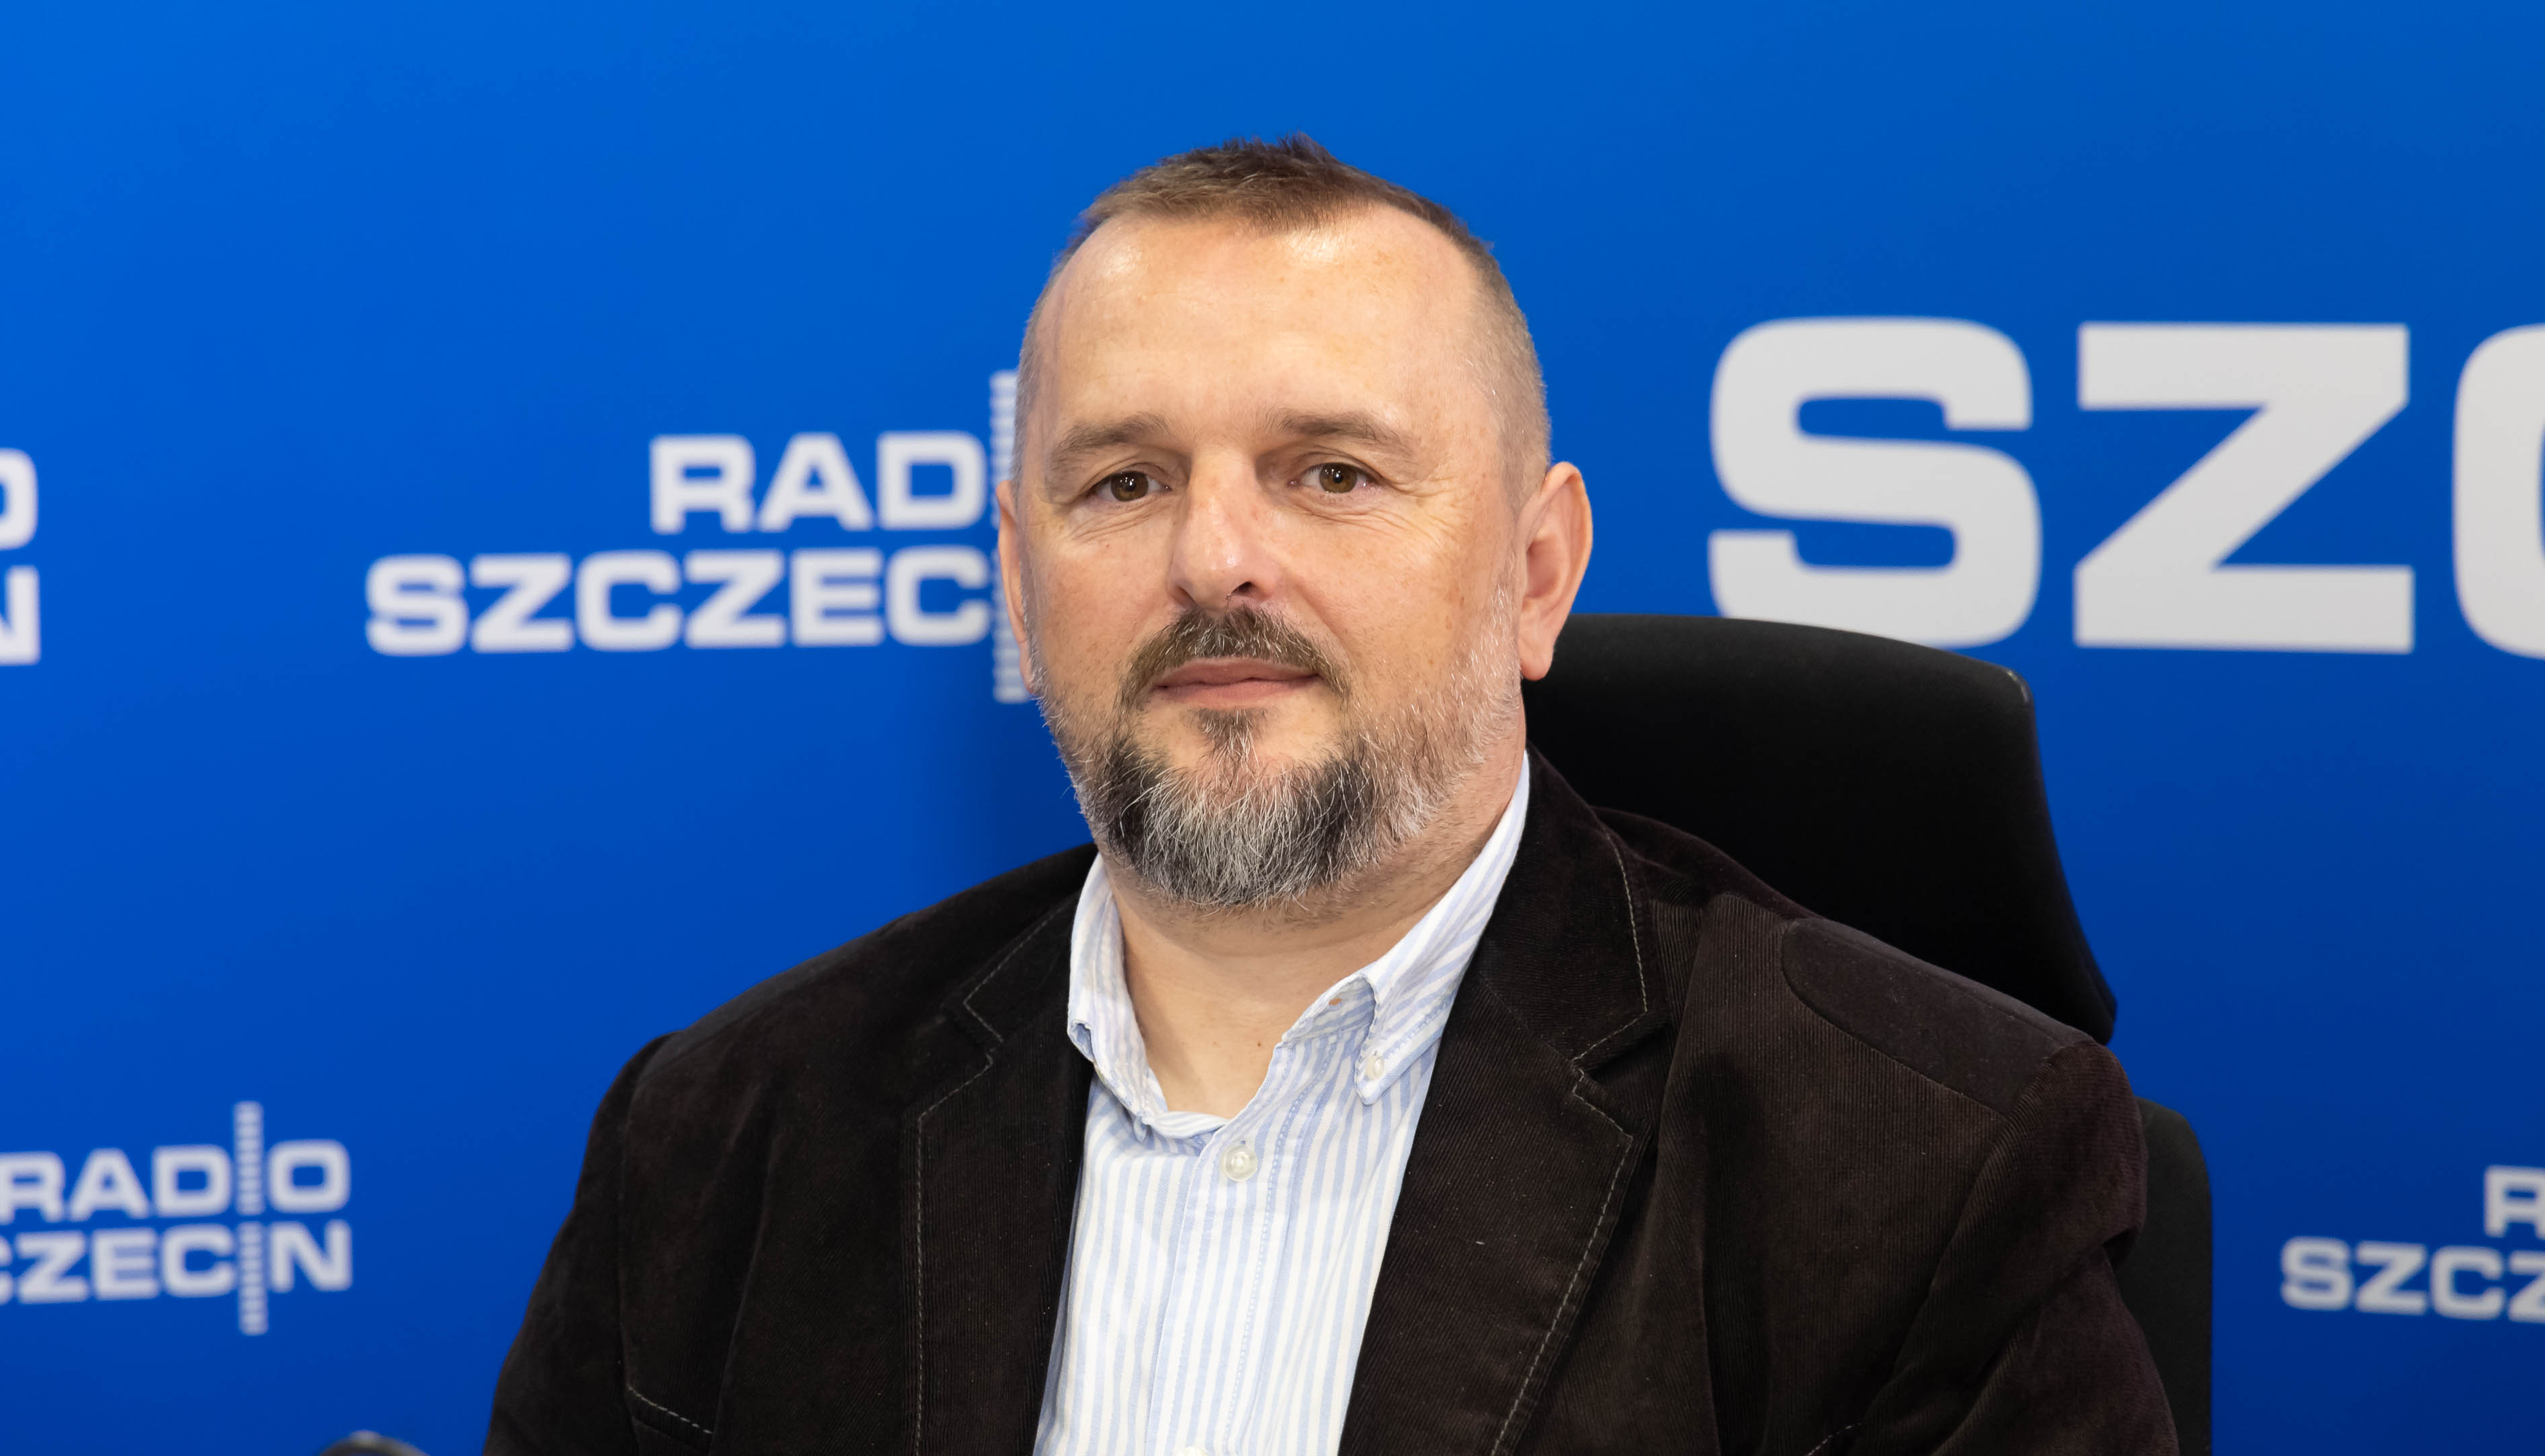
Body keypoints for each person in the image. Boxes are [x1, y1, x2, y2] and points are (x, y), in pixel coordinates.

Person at [487, 135, 2176, 1456]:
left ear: (1535, 574)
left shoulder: (1923, 1163)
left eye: (1332, 473)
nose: (1216, 558)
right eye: (1125, 481)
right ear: (1019, 578)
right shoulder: (723, 1140)